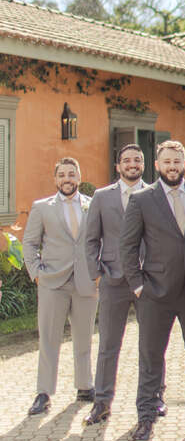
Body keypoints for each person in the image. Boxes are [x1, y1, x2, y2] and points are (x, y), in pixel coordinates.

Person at [120, 140, 185, 441]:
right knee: (151, 357)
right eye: (167, 162)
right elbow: (127, 246)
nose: (172, 167)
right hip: (155, 292)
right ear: (157, 165)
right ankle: (145, 420)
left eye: (177, 162)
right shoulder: (142, 199)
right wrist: (138, 285)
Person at [83, 143, 166, 425]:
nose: (132, 164)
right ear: (118, 166)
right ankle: (102, 402)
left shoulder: (156, 194)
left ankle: (155, 397)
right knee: (108, 344)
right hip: (113, 279)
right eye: (127, 160)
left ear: (144, 164)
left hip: (148, 279)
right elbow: (90, 239)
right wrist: (97, 273)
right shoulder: (101, 197)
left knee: (152, 343)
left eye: (138, 160)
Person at [23, 157, 98, 415]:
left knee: (84, 336)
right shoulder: (42, 208)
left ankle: (85, 386)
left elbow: (100, 239)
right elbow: (29, 243)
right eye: (62, 175)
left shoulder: (92, 205)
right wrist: (36, 273)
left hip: (86, 282)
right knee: (49, 338)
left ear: (79, 177)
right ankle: (43, 393)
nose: (67, 179)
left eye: (72, 174)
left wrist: (98, 271)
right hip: (52, 282)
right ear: (56, 179)